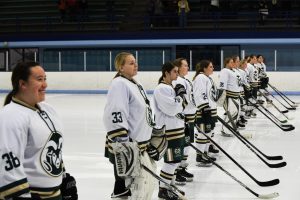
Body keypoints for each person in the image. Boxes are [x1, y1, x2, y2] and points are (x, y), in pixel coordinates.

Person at [0, 61, 77, 200]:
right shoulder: (10, 115)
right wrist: (20, 196)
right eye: (39, 79)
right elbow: (8, 162)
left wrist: (63, 177)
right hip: (32, 195)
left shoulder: (48, 109)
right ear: (22, 84)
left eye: (45, 79)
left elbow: (53, 148)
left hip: (55, 193)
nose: (45, 84)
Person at [103, 52, 162, 200]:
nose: (135, 65)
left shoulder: (135, 83)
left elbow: (142, 113)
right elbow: (115, 113)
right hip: (128, 147)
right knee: (132, 190)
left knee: (142, 187)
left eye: (135, 62)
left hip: (141, 146)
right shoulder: (119, 84)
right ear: (120, 67)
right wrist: (123, 144)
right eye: (131, 63)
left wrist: (150, 136)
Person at [153, 61, 186, 199]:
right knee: (171, 161)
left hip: (177, 129)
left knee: (176, 160)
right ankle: (163, 189)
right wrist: (181, 98)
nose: (177, 74)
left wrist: (180, 98)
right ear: (166, 73)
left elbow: (182, 106)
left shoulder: (170, 87)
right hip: (169, 131)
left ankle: (169, 185)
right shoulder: (161, 89)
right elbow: (172, 108)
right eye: (174, 72)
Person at [172, 58, 196, 182]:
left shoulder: (185, 80)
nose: (187, 67)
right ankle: (176, 171)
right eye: (185, 65)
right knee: (183, 145)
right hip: (185, 117)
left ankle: (181, 168)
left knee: (187, 145)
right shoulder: (178, 81)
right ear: (178, 67)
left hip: (190, 116)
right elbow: (180, 102)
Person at [193, 60, 219, 167]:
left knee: (208, 133)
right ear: (204, 68)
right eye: (210, 66)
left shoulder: (207, 78)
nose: (212, 68)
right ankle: (200, 156)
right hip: (204, 111)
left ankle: (205, 154)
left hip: (210, 110)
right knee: (203, 134)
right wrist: (204, 107)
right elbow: (200, 93)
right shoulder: (200, 78)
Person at [218, 57, 241, 137]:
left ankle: (230, 128)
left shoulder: (234, 71)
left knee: (235, 112)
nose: (233, 63)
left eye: (233, 62)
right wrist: (221, 97)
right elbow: (222, 84)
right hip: (229, 96)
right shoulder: (225, 71)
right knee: (231, 113)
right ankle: (225, 130)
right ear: (227, 63)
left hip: (236, 95)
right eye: (231, 62)